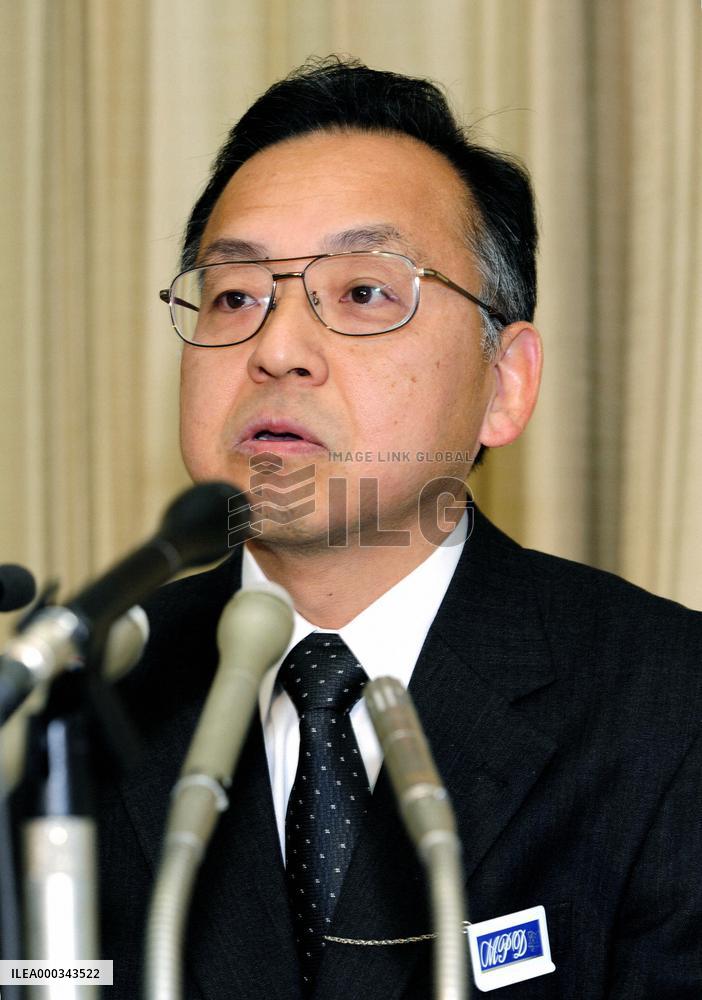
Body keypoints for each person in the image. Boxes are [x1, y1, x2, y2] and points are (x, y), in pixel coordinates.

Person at [98, 57, 702, 998]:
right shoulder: (80, 709)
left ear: (506, 382)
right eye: (234, 296)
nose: (276, 350)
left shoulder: (668, 705)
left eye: (363, 293)